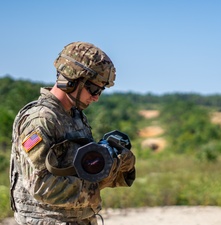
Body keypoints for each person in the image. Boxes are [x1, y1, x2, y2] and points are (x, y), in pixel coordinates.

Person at [10, 41, 136, 225]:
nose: (96, 97)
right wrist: (100, 180)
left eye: (100, 90)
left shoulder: (75, 117)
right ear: (71, 79)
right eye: (93, 88)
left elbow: (80, 173)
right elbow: (42, 186)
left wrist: (116, 164)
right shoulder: (40, 120)